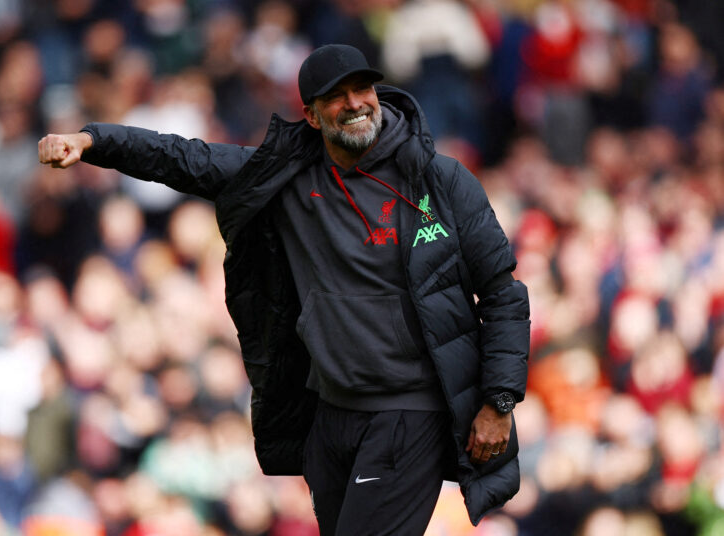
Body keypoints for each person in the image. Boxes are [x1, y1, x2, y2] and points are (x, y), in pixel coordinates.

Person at [38, 44, 530, 535]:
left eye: (362, 89)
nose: (355, 102)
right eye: (336, 97)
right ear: (312, 116)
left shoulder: (441, 181)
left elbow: (502, 292)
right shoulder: (286, 177)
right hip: (330, 416)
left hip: (409, 413)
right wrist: (93, 141)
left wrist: (500, 399)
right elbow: (185, 158)